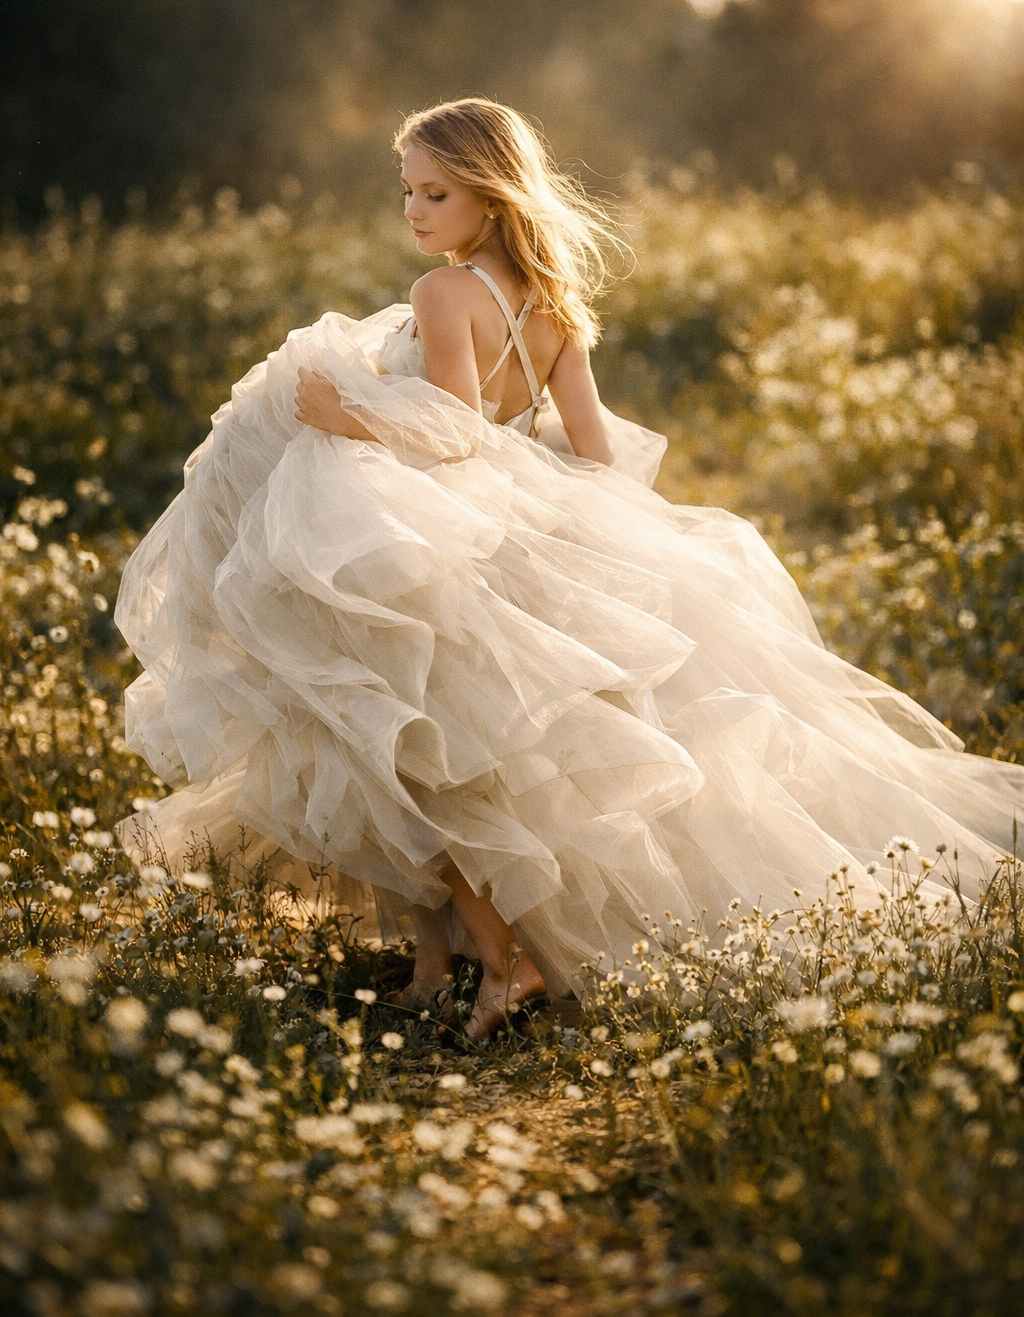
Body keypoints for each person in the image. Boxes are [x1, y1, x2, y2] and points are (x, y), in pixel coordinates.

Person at [116, 98, 1024, 1042]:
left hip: (440, 534)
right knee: (416, 741)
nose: (416, 213)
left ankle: (503, 966)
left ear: (492, 196)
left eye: (438, 193)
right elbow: (591, 454)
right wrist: (576, 531)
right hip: (502, 530)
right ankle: (439, 962)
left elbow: (456, 430)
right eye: (407, 194)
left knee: (415, 749)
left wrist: (346, 415)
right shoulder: (555, 309)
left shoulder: (444, 295)